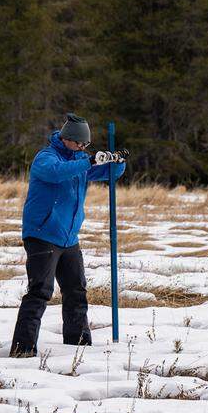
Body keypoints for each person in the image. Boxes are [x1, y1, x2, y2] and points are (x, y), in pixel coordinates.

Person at [10, 113, 126, 357]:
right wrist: (90, 161)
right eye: (80, 144)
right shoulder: (46, 157)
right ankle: (23, 350)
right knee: (40, 292)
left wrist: (118, 161)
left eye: (86, 145)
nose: (83, 148)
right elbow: (57, 173)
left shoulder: (81, 160)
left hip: (68, 238)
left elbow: (110, 174)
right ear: (66, 139)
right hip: (42, 235)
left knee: (76, 291)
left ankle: (78, 345)